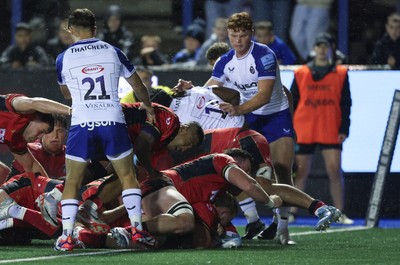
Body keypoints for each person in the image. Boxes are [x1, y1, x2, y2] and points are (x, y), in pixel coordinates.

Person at [54, 8, 155, 251]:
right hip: (112, 119)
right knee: (127, 176)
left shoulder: (63, 58)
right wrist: (148, 106)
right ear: (95, 28)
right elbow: (138, 84)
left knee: (73, 181)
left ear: (70, 30)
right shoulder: (113, 51)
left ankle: (67, 237)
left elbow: (66, 93)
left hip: (82, 122)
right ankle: (138, 231)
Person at [200, 12, 296, 239]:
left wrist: (239, 109)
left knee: (282, 170)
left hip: (275, 116)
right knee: (239, 168)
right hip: (250, 119)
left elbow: (263, 96)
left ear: (251, 35)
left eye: (243, 35)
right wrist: (188, 90)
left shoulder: (264, 55)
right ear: (228, 35)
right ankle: (253, 219)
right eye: (234, 35)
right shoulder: (225, 61)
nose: (238, 40)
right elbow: (207, 90)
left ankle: (282, 226)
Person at [290, 32, 353, 225]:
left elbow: (346, 103)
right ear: (314, 48)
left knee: (334, 170)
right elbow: (292, 101)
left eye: (326, 46)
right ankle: (292, 212)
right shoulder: (301, 72)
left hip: (330, 126)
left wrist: (344, 127)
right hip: (305, 127)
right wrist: (290, 129)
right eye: (319, 45)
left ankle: (340, 212)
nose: (322, 49)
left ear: (331, 49)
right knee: (300, 173)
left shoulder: (340, 73)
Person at [0, 94, 70, 180]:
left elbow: (32, 167)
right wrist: (72, 111)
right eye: (42, 131)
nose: (38, 137)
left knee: (2, 172)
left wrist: (51, 191)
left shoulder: (16, 141)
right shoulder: (19, 110)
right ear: (35, 119)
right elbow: (35, 103)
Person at [10, 115, 68, 179]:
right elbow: (11, 183)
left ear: (66, 134)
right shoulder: (29, 151)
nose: (55, 136)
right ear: (41, 133)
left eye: (60, 131)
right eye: (50, 131)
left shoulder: (72, 156)